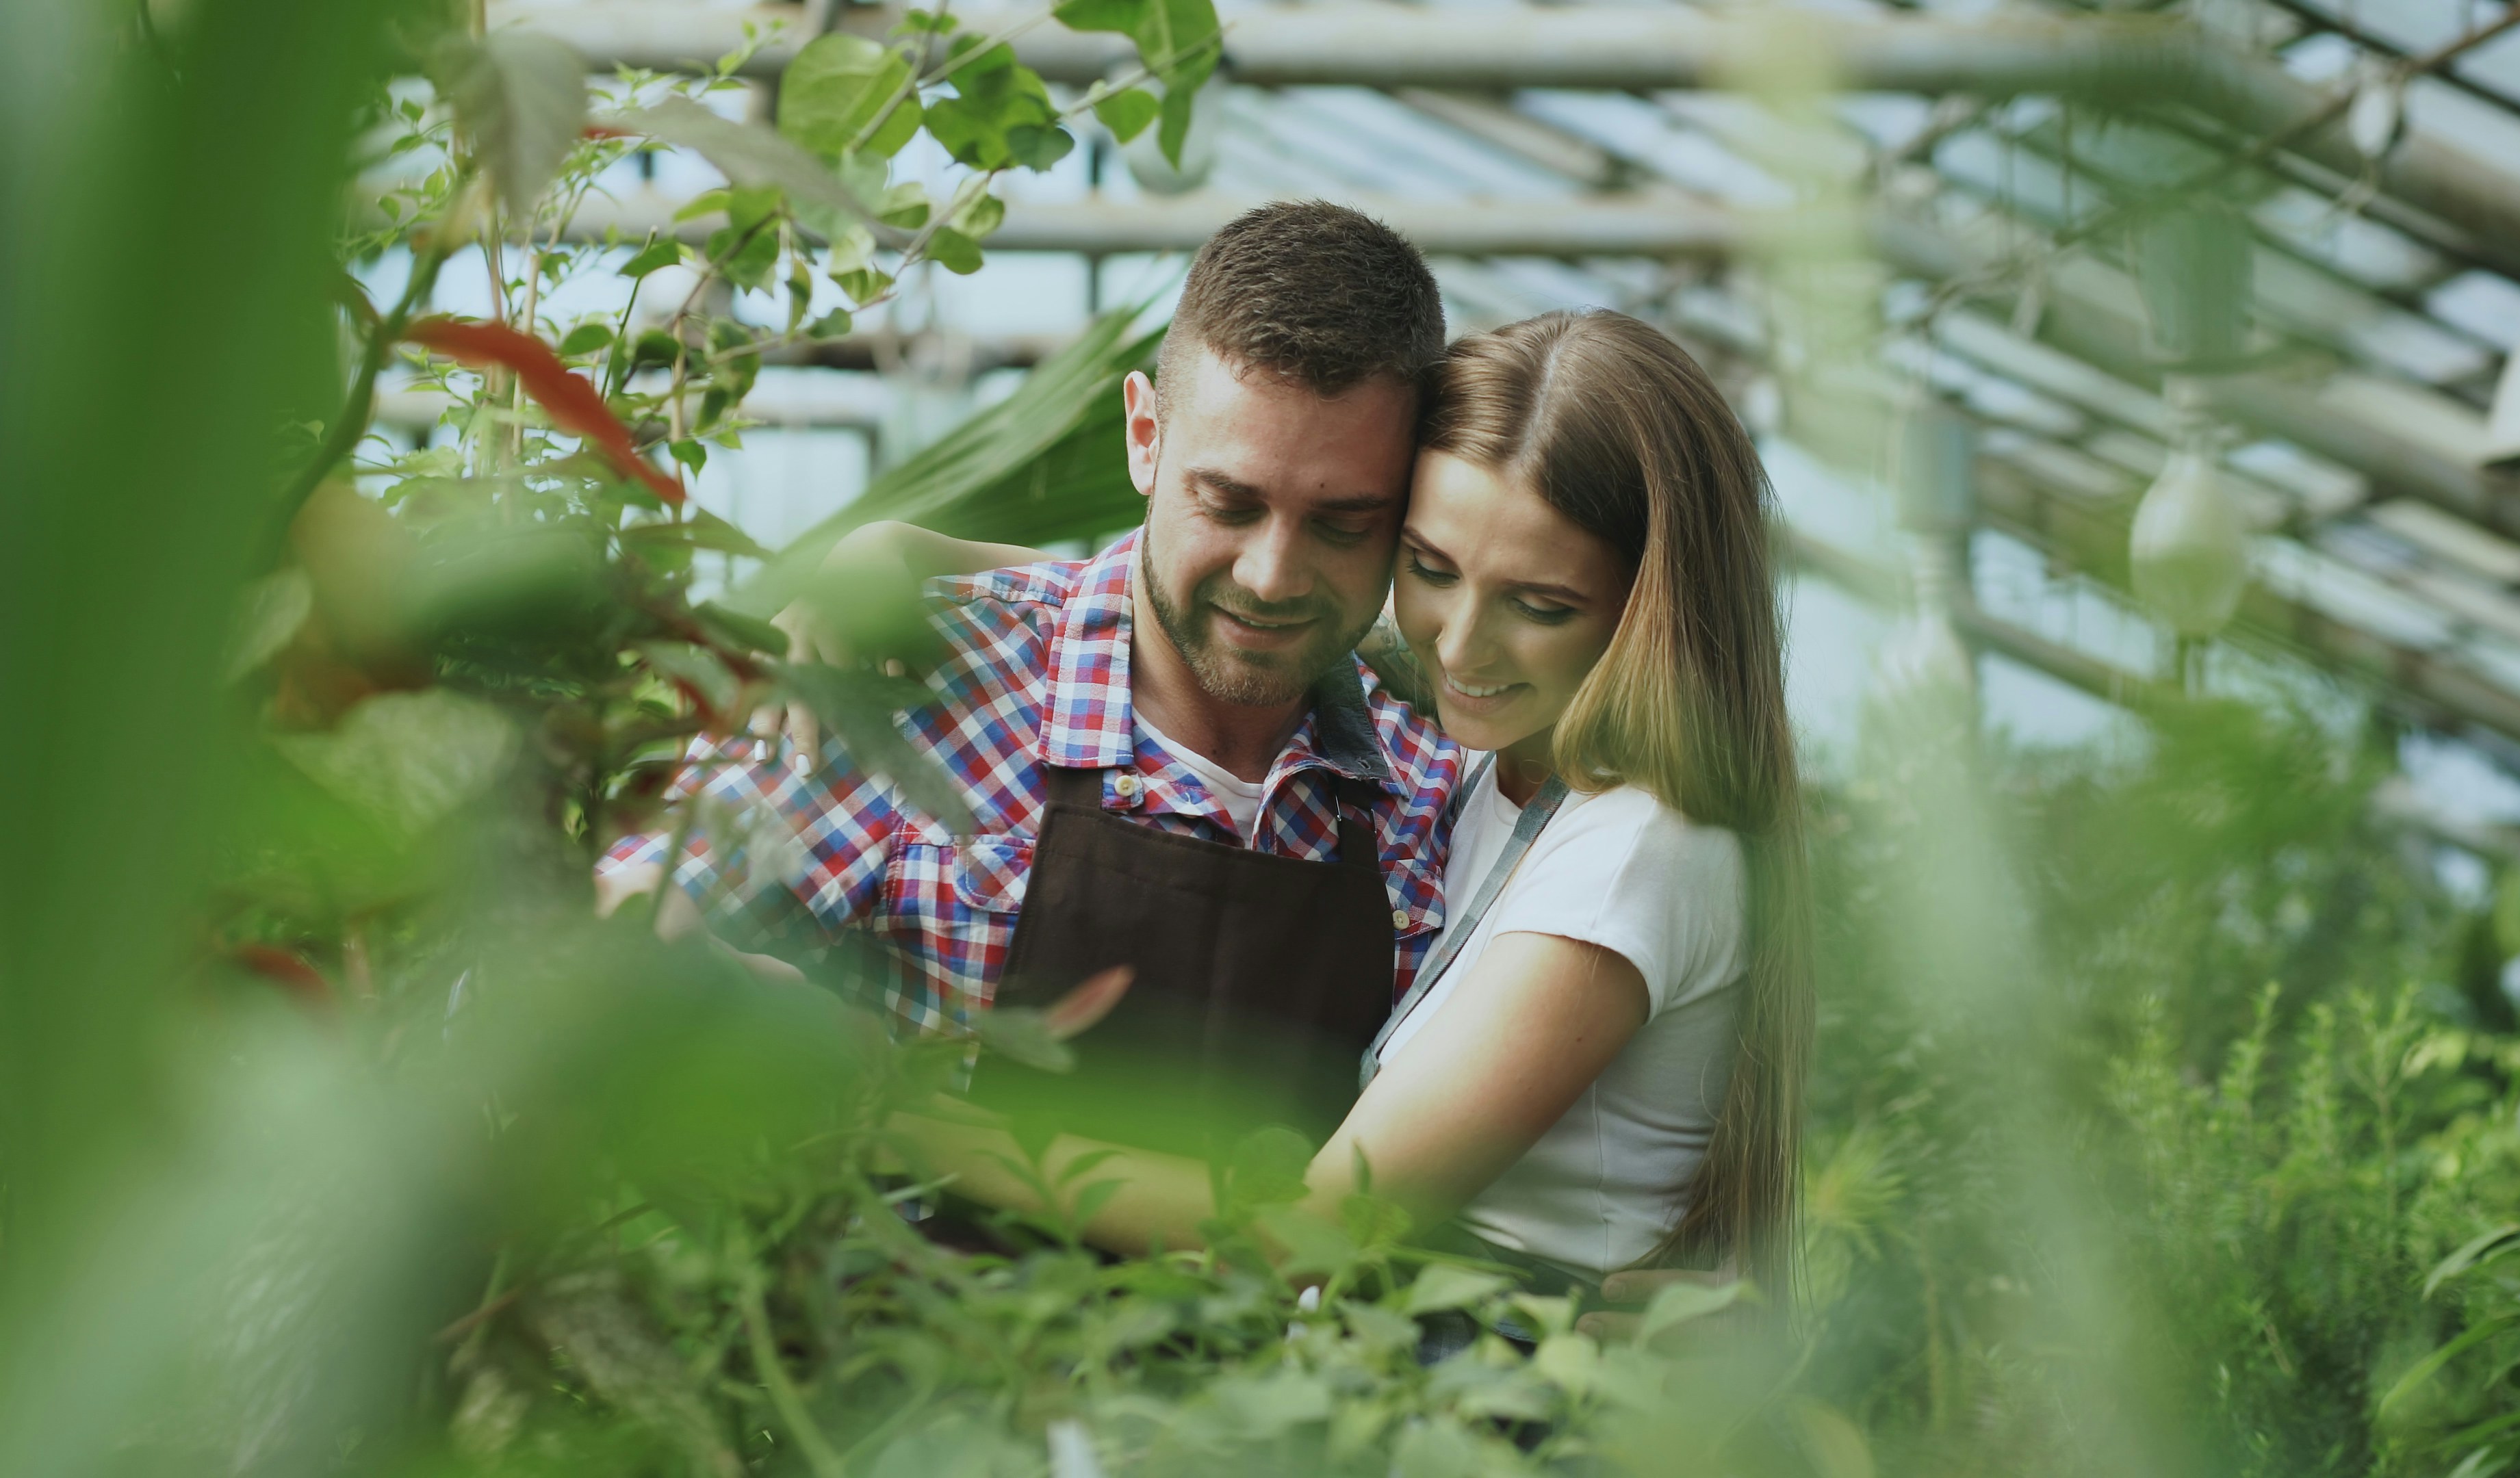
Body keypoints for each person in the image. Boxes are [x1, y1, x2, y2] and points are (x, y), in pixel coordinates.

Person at [882, 310, 1815, 1306]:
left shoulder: (1636, 850)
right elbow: (1182, 603)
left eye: (1540, 605)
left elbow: (1315, 1230)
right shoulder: (1486, 764)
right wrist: (905, 557)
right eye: (1430, 567)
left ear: (1650, 602)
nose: (1461, 646)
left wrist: (898, 1119)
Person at [597, 201, 1464, 1156]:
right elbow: (619, 932)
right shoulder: (923, 678)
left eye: (1343, 523)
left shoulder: (1432, 782)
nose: (1271, 575)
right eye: (1228, 502)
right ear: (1145, 435)